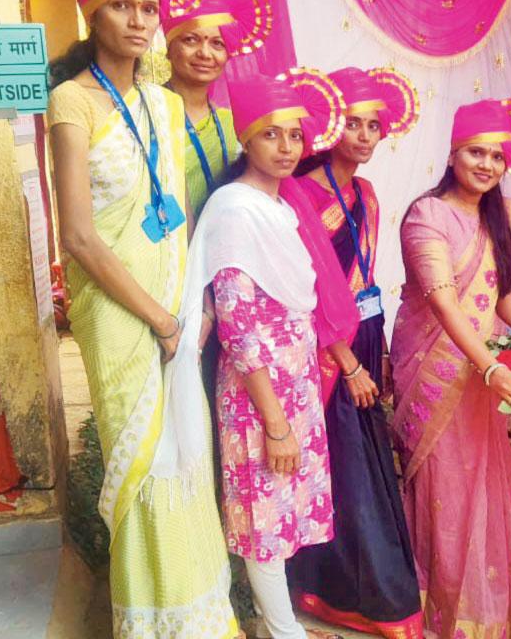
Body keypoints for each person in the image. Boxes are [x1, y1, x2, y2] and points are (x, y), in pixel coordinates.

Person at [46, 0, 239, 638]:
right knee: (142, 460)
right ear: (93, 14)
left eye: (147, 8)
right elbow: (78, 237)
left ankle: (199, 610)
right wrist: (160, 316)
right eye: (119, 6)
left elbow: (178, 215)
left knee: (185, 447)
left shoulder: (161, 103)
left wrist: (191, 306)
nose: (136, 20)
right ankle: (151, 619)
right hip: (119, 311)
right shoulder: (72, 103)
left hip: (173, 302)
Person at [166, 69, 347, 639]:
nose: (287, 147)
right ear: (245, 139)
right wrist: (273, 422)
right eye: (272, 135)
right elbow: (239, 327)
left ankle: (281, 622)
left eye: (295, 135)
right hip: (258, 393)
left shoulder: (283, 208)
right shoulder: (235, 209)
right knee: (263, 515)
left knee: (286, 508)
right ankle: (283, 631)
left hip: (294, 385)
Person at [391, 99, 511, 639]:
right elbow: (443, 301)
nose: (486, 164)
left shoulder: (495, 213)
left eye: (496, 156)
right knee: (444, 487)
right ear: (453, 153)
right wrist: (490, 368)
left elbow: (499, 287)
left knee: (483, 484)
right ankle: (440, 615)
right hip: (435, 372)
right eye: (475, 152)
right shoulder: (427, 215)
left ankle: (484, 614)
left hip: (479, 372)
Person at [284, 67, 425, 639]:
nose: (366, 136)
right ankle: (344, 593)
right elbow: (309, 286)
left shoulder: (365, 192)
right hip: (329, 349)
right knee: (342, 467)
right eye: (355, 123)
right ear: (331, 124)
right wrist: (348, 362)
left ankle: (364, 587)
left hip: (367, 334)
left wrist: (382, 351)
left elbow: (366, 277)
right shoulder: (301, 191)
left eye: (375, 126)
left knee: (364, 463)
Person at [161, 0, 270, 220]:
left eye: (217, 44)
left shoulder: (232, 122)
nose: (205, 53)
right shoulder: (147, 109)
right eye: (191, 40)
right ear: (169, 48)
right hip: (166, 248)